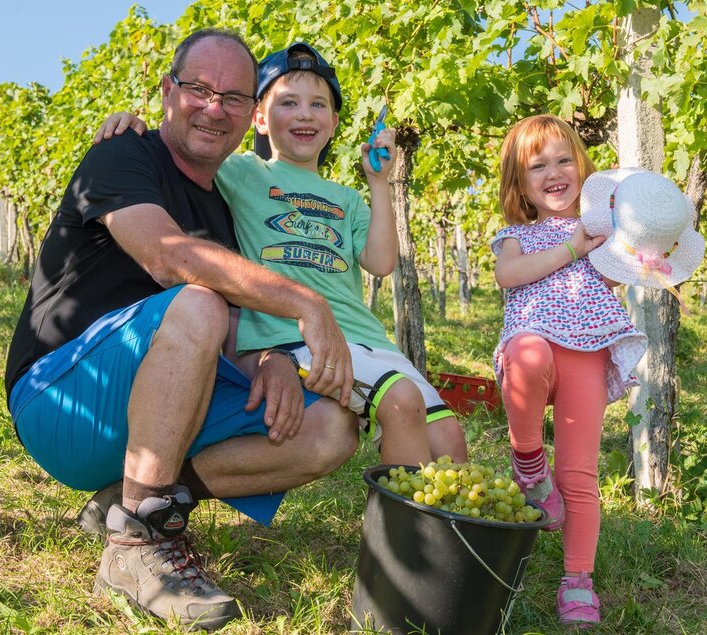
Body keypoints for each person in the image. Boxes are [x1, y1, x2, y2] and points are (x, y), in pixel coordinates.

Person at [4, 29, 361, 632]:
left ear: (252, 116)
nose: (214, 108)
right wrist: (305, 301)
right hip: (59, 400)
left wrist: (271, 355)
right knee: (198, 302)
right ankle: (137, 547)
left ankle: (131, 499)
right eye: (198, 88)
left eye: (233, 98)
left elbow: (235, 316)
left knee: (330, 429)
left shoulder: (223, 206)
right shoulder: (124, 155)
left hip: (161, 400)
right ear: (167, 92)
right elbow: (170, 258)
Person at [95, 42, 468, 467]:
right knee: (401, 403)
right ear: (258, 116)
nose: (305, 114)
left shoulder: (347, 199)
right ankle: (403, 533)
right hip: (294, 339)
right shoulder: (242, 171)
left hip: (366, 337)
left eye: (318, 105)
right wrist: (135, 124)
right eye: (288, 102)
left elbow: (381, 262)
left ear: (334, 123)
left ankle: (445, 531)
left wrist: (378, 184)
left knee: (449, 439)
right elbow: (182, 150)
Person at [491, 114, 648, 627]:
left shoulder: (601, 232)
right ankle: (528, 461)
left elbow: (635, 265)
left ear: (582, 169)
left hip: (588, 351)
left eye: (564, 160)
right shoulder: (517, 236)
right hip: (535, 342)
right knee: (526, 357)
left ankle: (577, 579)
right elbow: (508, 276)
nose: (554, 173)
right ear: (520, 185)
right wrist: (571, 249)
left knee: (579, 474)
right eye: (538, 166)